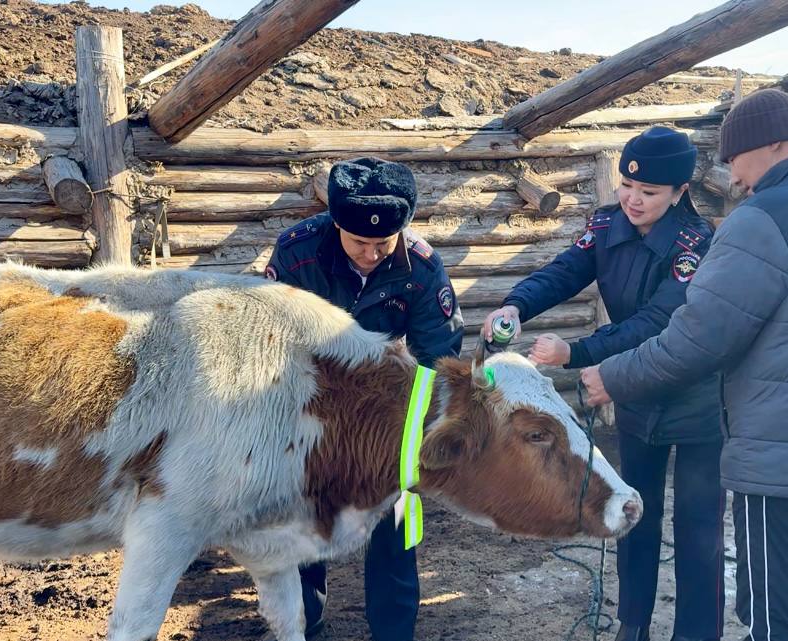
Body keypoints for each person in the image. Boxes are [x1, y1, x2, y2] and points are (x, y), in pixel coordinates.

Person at [581, 90, 788, 641]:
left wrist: (610, 375)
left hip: (783, 458)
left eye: (734, 159)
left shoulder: (767, 216)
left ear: (772, 143)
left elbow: (699, 337)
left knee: (772, 616)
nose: (733, 178)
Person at [484, 126, 726, 641]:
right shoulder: (607, 224)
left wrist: (580, 352)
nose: (633, 199)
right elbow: (565, 269)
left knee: (698, 527)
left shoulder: (695, 244)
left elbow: (660, 320)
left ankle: (696, 633)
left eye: (650, 192)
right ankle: (631, 624)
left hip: (696, 396)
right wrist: (517, 303)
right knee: (631, 512)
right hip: (636, 393)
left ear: (681, 191)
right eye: (627, 186)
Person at [265, 156, 464, 641]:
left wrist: (411, 449)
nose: (372, 253)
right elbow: (270, 344)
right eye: (359, 242)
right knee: (303, 530)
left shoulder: (421, 266)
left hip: (386, 423)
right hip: (311, 414)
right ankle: (303, 627)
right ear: (336, 225)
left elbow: (439, 359)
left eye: (383, 243)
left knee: (395, 532)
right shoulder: (297, 254)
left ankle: (394, 633)